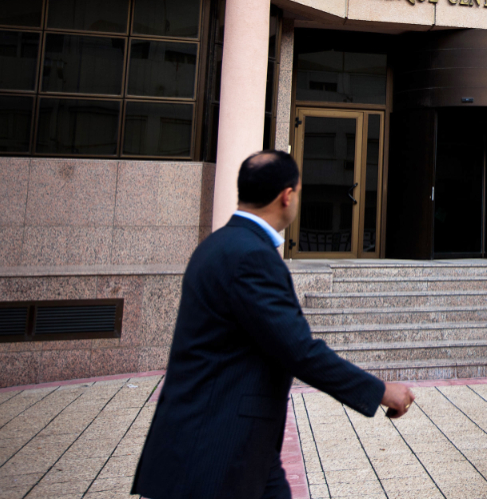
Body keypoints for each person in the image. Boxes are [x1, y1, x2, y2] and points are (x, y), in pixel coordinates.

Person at [133, 151, 414, 499]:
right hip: (215, 452)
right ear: (287, 195)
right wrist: (381, 391)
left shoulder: (215, 245)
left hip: (238, 446)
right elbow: (299, 350)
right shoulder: (252, 256)